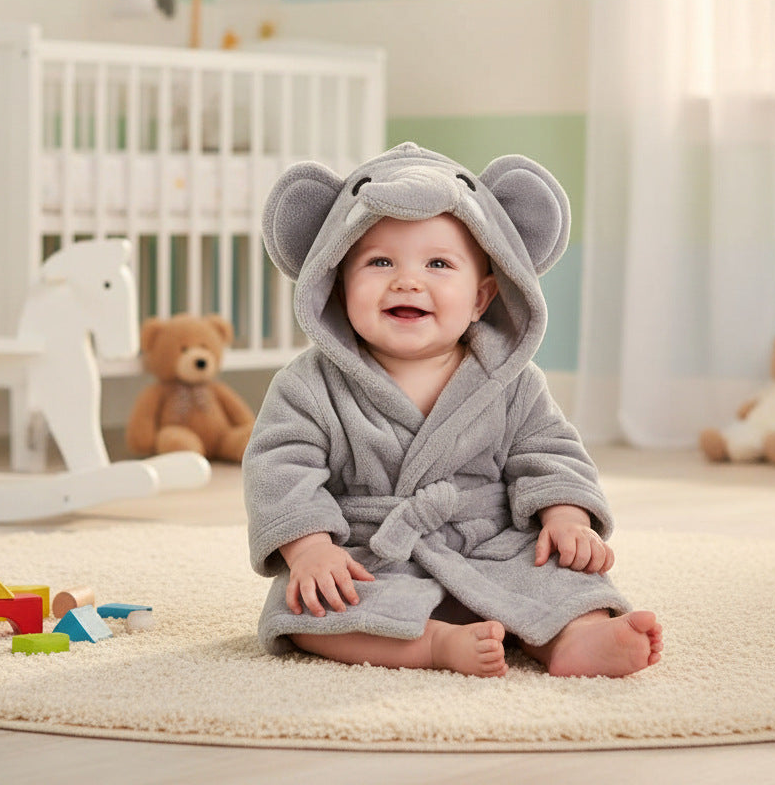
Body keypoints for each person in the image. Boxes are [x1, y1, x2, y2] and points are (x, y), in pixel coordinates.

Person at [243, 143, 663, 678]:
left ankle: (575, 640)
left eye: (438, 263)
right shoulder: (308, 385)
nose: (407, 281)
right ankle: (433, 645)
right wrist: (309, 551)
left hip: (488, 544)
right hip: (370, 554)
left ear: (482, 297)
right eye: (379, 262)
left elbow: (550, 449)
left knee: (564, 576)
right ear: (337, 284)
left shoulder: (510, 380)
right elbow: (280, 469)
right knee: (308, 609)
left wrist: (566, 517)